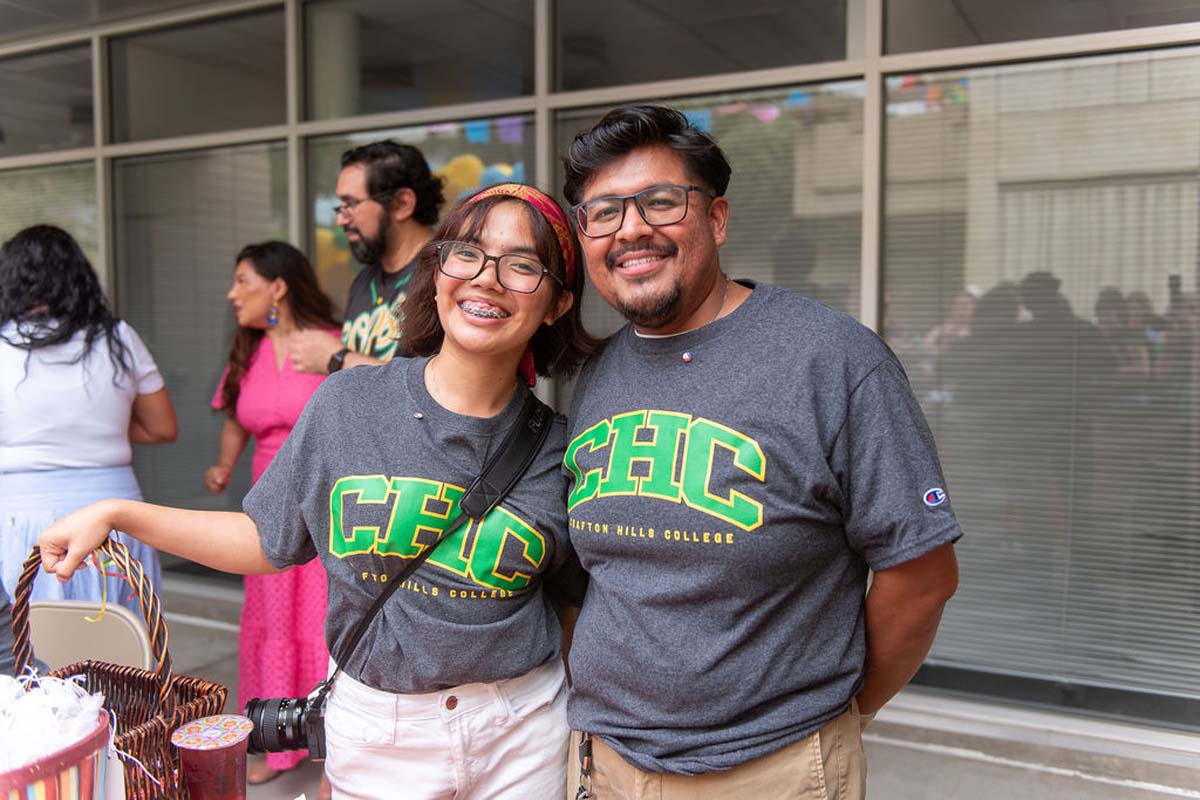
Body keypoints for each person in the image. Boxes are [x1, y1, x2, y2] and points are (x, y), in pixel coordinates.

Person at [37, 183, 596, 800]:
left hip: (522, 731)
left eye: (521, 265)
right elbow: (263, 538)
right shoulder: (348, 405)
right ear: (437, 272)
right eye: (467, 254)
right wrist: (121, 514)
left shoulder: (563, 450)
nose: (487, 279)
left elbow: (570, 608)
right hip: (380, 730)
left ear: (555, 304)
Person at [559, 105, 961, 799]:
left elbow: (921, 575)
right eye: (603, 213)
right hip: (604, 764)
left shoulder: (830, 359)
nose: (631, 230)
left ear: (715, 219)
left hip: (772, 772)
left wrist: (838, 716)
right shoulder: (594, 375)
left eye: (660, 202)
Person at [204, 241, 341, 790]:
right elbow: (237, 416)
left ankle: (333, 741)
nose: (233, 293)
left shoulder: (332, 346)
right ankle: (274, 742)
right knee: (271, 623)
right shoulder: (248, 353)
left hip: (325, 504)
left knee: (321, 622)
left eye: (244, 281)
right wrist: (222, 464)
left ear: (277, 287)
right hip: (266, 505)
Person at [0, 225, 177, 615]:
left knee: (29, 651)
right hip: (112, 512)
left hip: (19, 516)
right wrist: (103, 425)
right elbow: (161, 427)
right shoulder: (117, 337)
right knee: (120, 649)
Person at [288, 140, 445, 375]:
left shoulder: (448, 275)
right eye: (339, 207)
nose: (340, 220)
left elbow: (441, 385)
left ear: (402, 204)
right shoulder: (363, 281)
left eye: (350, 204)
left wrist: (338, 359)